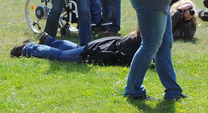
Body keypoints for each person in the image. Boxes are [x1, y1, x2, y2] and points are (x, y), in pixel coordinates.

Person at [10, 30, 141, 66]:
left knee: (76, 48)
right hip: (94, 51)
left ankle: (48, 40)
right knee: (61, 55)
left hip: (96, 46)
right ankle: (28, 48)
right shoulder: (134, 46)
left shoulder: (133, 37)